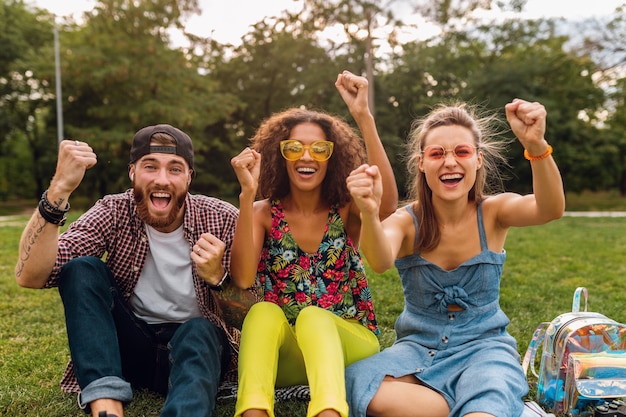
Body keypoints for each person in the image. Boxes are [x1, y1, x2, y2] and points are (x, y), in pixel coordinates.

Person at [344, 98, 565, 417]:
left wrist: (536, 145)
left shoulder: (494, 212)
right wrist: (367, 210)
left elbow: (550, 209)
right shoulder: (407, 221)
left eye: (461, 151)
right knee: (356, 380)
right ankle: (456, 406)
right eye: (437, 153)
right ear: (422, 162)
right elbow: (379, 261)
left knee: (486, 402)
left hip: (485, 352)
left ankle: (475, 405)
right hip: (416, 352)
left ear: (477, 159)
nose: (449, 162)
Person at [14, 124, 252, 417]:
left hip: (195, 352)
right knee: (81, 269)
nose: (162, 179)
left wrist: (219, 279)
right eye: (150, 166)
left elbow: (252, 318)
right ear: (132, 172)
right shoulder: (114, 211)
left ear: (189, 177)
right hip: (128, 350)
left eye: (175, 169)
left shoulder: (223, 219)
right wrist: (59, 189)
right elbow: (31, 276)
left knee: (200, 330)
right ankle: (106, 406)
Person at [229, 70, 399, 417]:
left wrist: (363, 117)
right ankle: (253, 412)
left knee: (314, 318)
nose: (307, 156)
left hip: (349, 341)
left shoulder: (347, 208)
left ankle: (329, 411)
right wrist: (247, 195)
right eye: (295, 147)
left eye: (319, 148)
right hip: (291, 354)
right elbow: (243, 279)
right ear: (281, 155)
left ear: (331, 157)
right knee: (262, 312)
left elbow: (387, 206)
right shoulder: (262, 213)